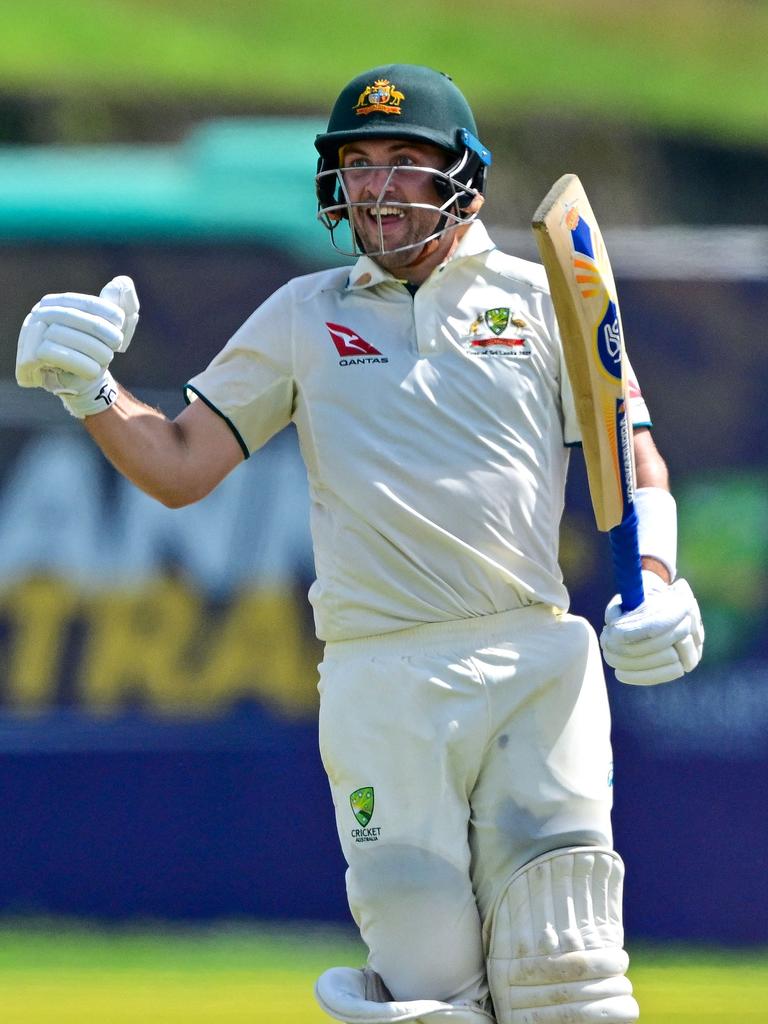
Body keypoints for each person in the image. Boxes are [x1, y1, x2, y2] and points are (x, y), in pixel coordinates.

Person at [16, 64, 703, 1024]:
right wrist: (88, 390)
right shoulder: (306, 314)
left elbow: (638, 466)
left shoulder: (545, 298)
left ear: (461, 174)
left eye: (404, 161)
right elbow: (179, 465)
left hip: (534, 659)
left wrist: (663, 582)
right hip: (380, 673)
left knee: (568, 973)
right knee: (427, 982)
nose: (378, 186)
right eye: (359, 164)